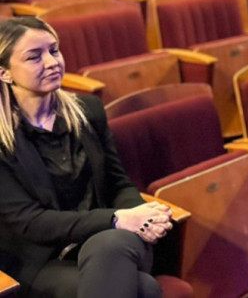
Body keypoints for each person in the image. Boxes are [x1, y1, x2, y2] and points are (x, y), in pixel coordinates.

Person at [0, 17, 174, 297]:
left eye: (54, 50)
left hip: (111, 240)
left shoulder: (88, 110)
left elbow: (119, 184)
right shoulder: (2, 139)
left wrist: (142, 217)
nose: (52, 62)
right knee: (145, 289)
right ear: (4, 73)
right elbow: (29, 222)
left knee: (112, 245)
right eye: (34, 57)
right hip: (44, 259)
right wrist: (117, 219)